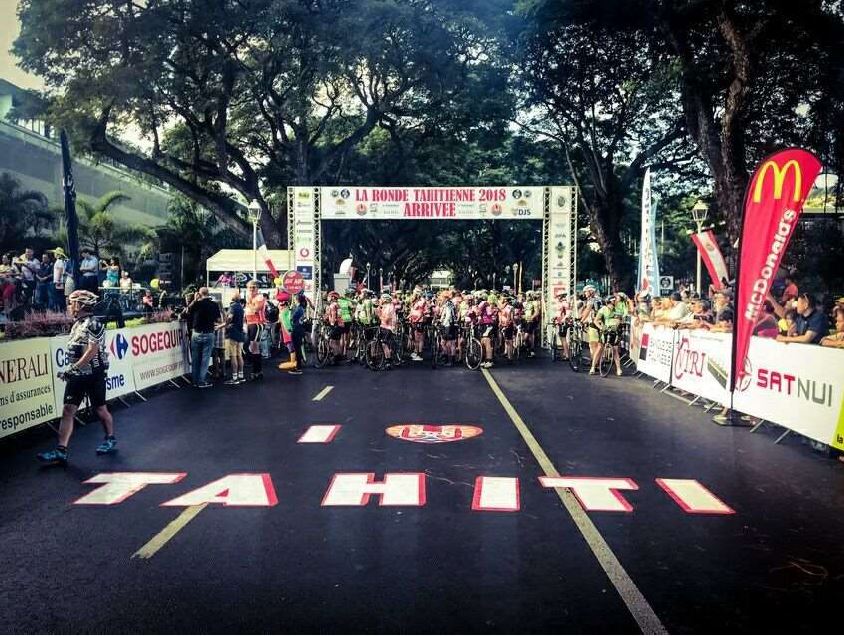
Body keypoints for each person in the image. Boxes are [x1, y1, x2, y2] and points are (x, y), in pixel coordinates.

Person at [37, 290, 116, 465]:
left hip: (93, 374)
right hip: (77, 375)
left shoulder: (94, 324)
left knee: (100, 409)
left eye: (72, 303)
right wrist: (74, 371)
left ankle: (110, 438)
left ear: (80, 305)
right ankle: (61, 450)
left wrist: (72, 369)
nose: (69, 306)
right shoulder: (77, 324)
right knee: (68, 410)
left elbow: (92, 350)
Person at [184, 287, 221, 388]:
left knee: (195, 358)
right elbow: (218, 319)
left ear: (199, 294)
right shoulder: (214, 305)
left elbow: (186, 311)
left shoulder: (196, 304)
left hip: (196, 333)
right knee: (205, 359)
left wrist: (195, 300)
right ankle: (201, 381)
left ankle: (195, 380)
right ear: (208, 293)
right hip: (209, 332)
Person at [244, 281, 267, 380]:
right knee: (250, 347)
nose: (251, 289)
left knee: (254, 347)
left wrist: (249, 302)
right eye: (250, 287)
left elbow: (256, 309)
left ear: (257, 288)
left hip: (257, 324)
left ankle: (257, 371)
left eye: (254, 287)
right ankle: (257, 370)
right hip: (250, 324)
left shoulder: (259, 297)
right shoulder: (250, 298)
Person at [224, 289, 246, 384]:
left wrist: (224, 325)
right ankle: (241, 376)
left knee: (233, 356)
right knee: (239, 355)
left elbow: (229, 318)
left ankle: (234, 378)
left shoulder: (232, 307)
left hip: (232, 333)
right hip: (240, 333)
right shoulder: (240, 307)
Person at [50, 247, 68, 311]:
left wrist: (58, 280)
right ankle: (60, 309)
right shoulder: (60, 261)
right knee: (59, 296)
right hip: (59, 281)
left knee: (59, 296)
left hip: (59, 281)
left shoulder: (59, 261)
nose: (54, 254)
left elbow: (60, 270)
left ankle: (61, 310)